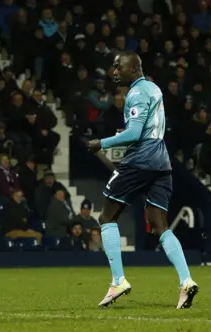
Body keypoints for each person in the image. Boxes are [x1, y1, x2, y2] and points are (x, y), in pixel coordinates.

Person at [87, 51, 199, 309]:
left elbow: (136, 133)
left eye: (119, 66)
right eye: (113, 66)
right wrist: (125, 134)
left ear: (135, 66)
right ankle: (186, 281)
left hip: (140, 160)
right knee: (160, 224)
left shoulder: (135, 93)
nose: (114, 71)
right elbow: (144, 128)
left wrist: (101, 143)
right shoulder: (152, 88)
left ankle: (118, 281)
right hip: (162, 161)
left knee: (106, 217)